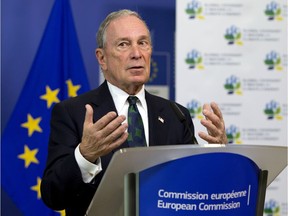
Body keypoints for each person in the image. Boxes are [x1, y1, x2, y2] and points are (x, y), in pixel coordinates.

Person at [40, 9, 228, 216]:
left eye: (143, 43)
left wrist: (217, 157)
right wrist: (86, 155)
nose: (137, 53)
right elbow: (53, 195)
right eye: (123, 44)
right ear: (102, 58)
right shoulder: (73, 113)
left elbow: (192, 192)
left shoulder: (176, 115)